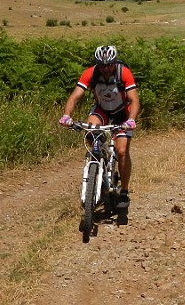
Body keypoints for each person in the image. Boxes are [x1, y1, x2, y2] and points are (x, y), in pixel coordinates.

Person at [59, 45, 140, 211]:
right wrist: (67, 116)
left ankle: (123, 191)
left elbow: (134, 100)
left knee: (122, 151)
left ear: (115, 62)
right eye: (102, 65)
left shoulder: (123, 72)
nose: (105, 68)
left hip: (122, 113)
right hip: (101, 109)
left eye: (109, 64)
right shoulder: (91, 73)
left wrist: (131, 119)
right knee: (91, 133)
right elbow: (75, 96)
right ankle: (98, 165)